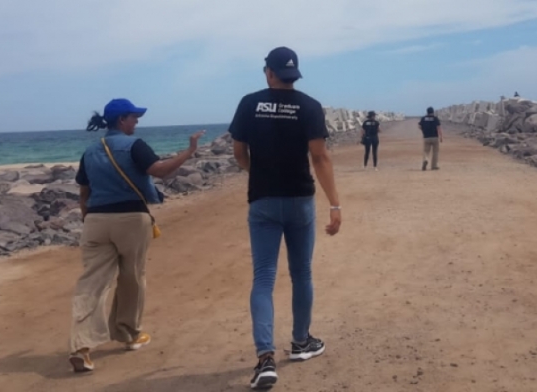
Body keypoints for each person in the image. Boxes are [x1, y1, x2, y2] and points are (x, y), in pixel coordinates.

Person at [230, 47, 342, 390]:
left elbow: (239, 152)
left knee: (263, 277)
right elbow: (320, 157)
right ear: (294, 73)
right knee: (301, 273)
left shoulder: (250, 103)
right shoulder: (309, 106)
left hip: (263, 200)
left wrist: (258, 173)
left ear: (269, 72)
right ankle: (301, 341)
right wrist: (335, 205)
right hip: (300, 200)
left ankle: (265, 358)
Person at [67, 98, 204, 374]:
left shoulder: (91, 151)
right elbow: (161, 171)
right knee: (132, 276)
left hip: (95, 220)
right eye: (133, 117)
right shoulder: (134, 145)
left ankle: (81, 346)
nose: (137, 122)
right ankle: (128, 334)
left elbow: (84, 192)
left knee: (91, 283)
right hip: (131, 219)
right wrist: (189, 151)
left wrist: (88, 219)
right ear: (121, 120)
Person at [419, 107, 443, 171]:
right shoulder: (435, 119)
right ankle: (434, 166)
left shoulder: (423, 118)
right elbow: (438, 128)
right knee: (435, 152)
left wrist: (424, 130)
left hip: (426, 137)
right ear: (433, 112)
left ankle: (426, 160)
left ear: (427, 112)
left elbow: (419, 126)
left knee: (426, 151)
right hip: (435, 137)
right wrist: (441, 137)